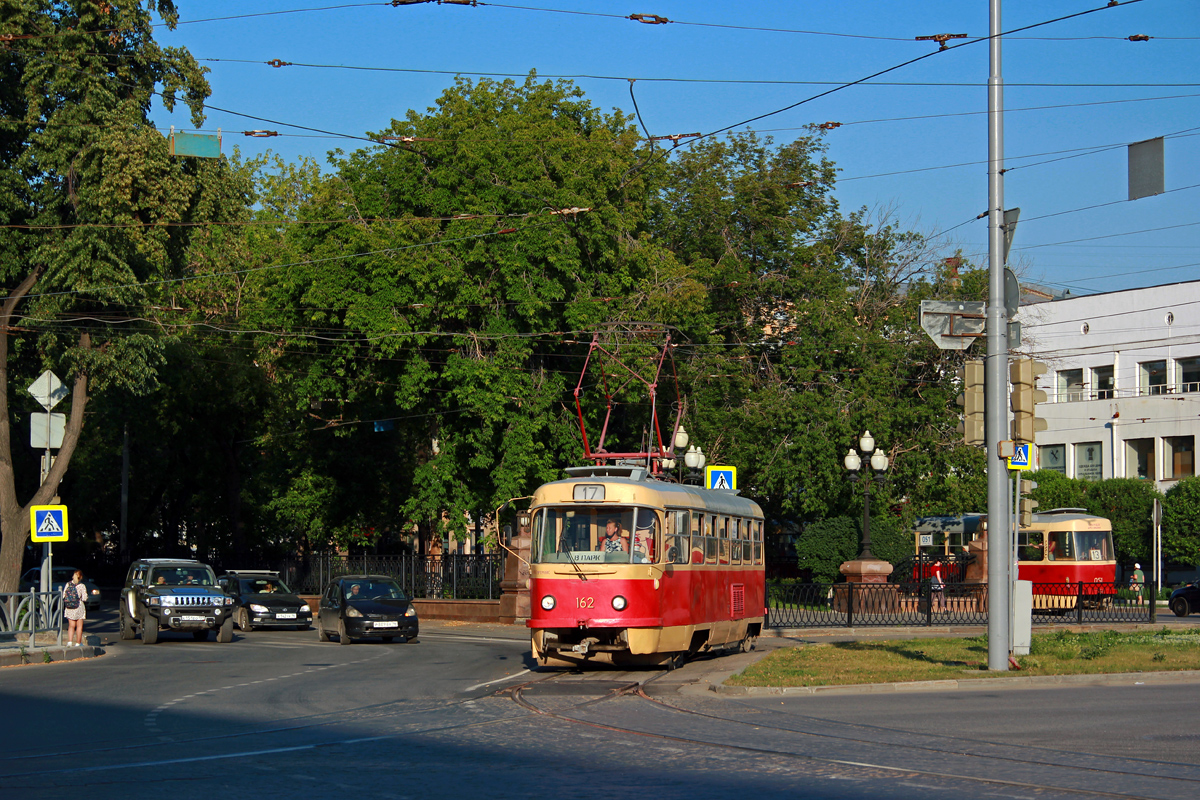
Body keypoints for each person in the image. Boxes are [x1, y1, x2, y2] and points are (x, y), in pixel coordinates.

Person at [62, 570, 87, 646]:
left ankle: (69, 642)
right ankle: (78, 643)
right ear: (81, 577)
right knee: (79, 626)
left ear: (73, 576)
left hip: (69, 607)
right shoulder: (82, 586)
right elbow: (84, 598)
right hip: (79, 607)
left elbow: (64, 596)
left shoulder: (68, 584)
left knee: (71, 626)